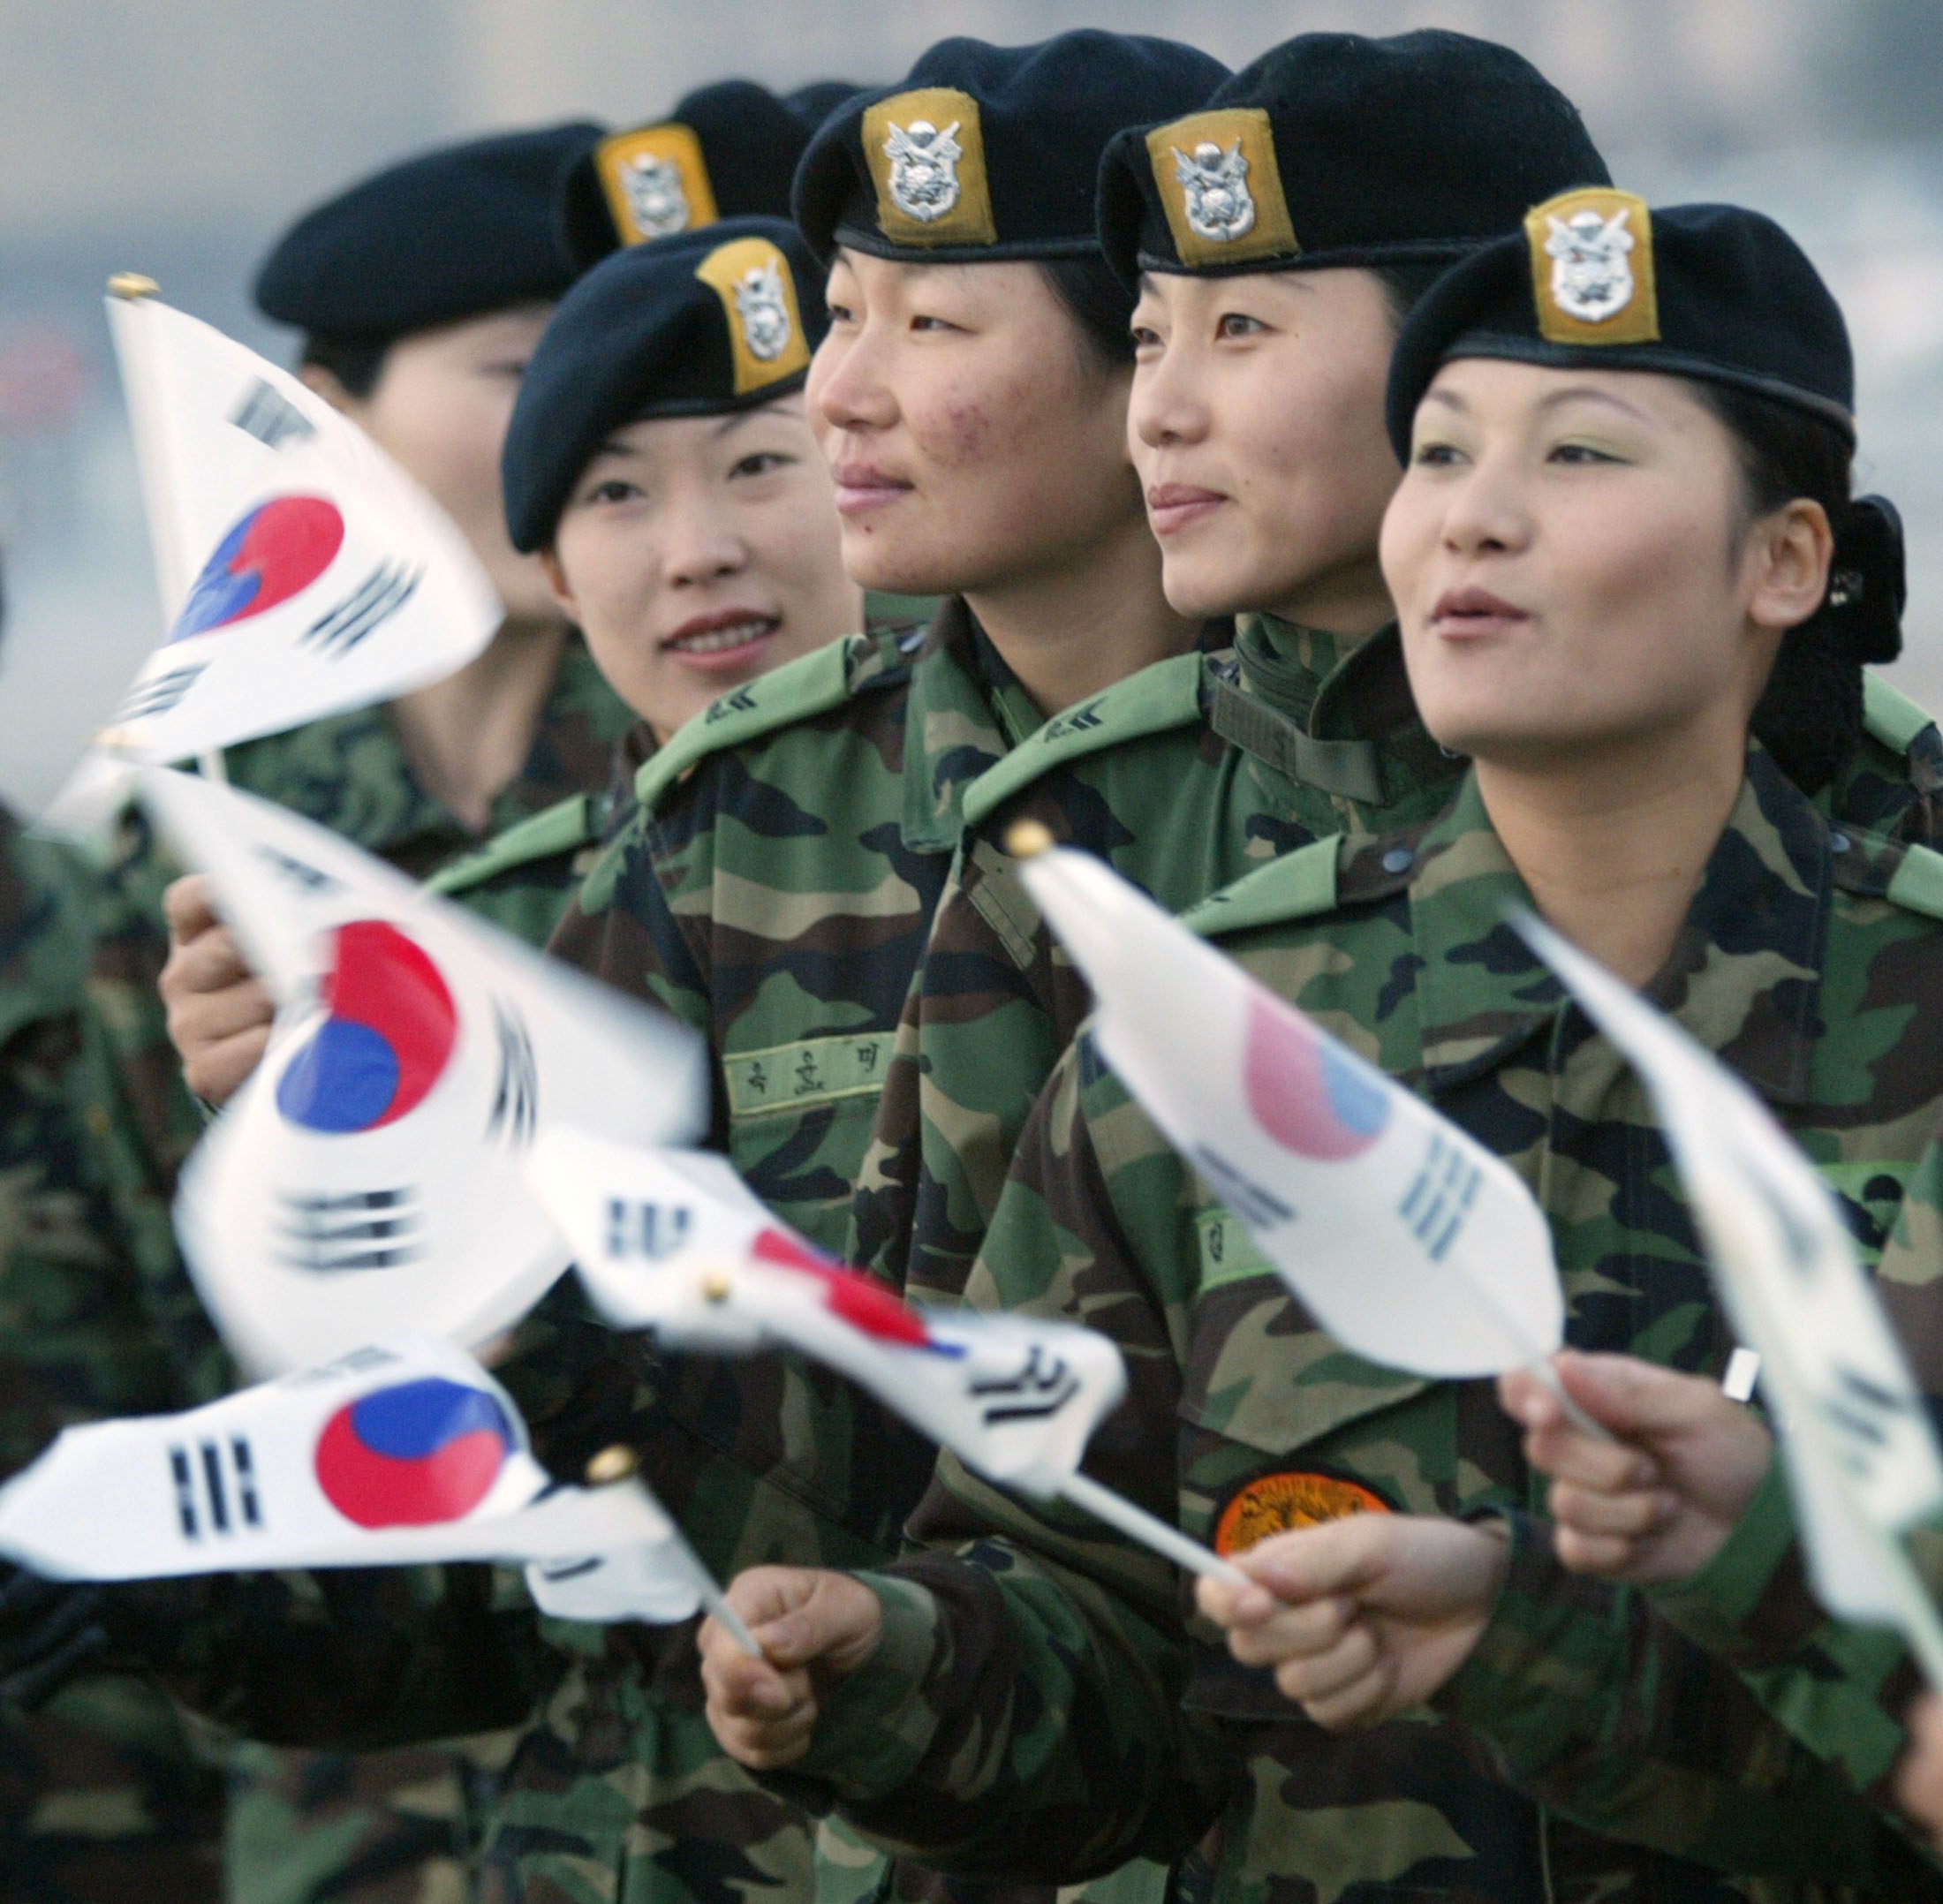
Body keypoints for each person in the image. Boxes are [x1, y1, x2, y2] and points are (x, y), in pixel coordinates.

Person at [698, 195, 1943, 1897]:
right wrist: (892, 1675)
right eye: (1435, 456)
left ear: (1783, 561)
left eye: (1578, 458)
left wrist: (1575, 1618)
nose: (1474, 523)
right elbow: (1104, 1635)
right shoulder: (1217, 1039)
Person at [533, 29, 1224, 1904]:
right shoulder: (729, 827)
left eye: (931, 327)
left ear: (1142, 359)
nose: (836, 392)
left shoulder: (1434, 784)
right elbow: (591, 1461)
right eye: (842, 318)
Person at [844, 28, 1613, 1322]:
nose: (1161, 412)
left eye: (1242, 328)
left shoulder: (1822, 795)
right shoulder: (1061, 848)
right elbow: (949, 1425)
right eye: (1151, 339)